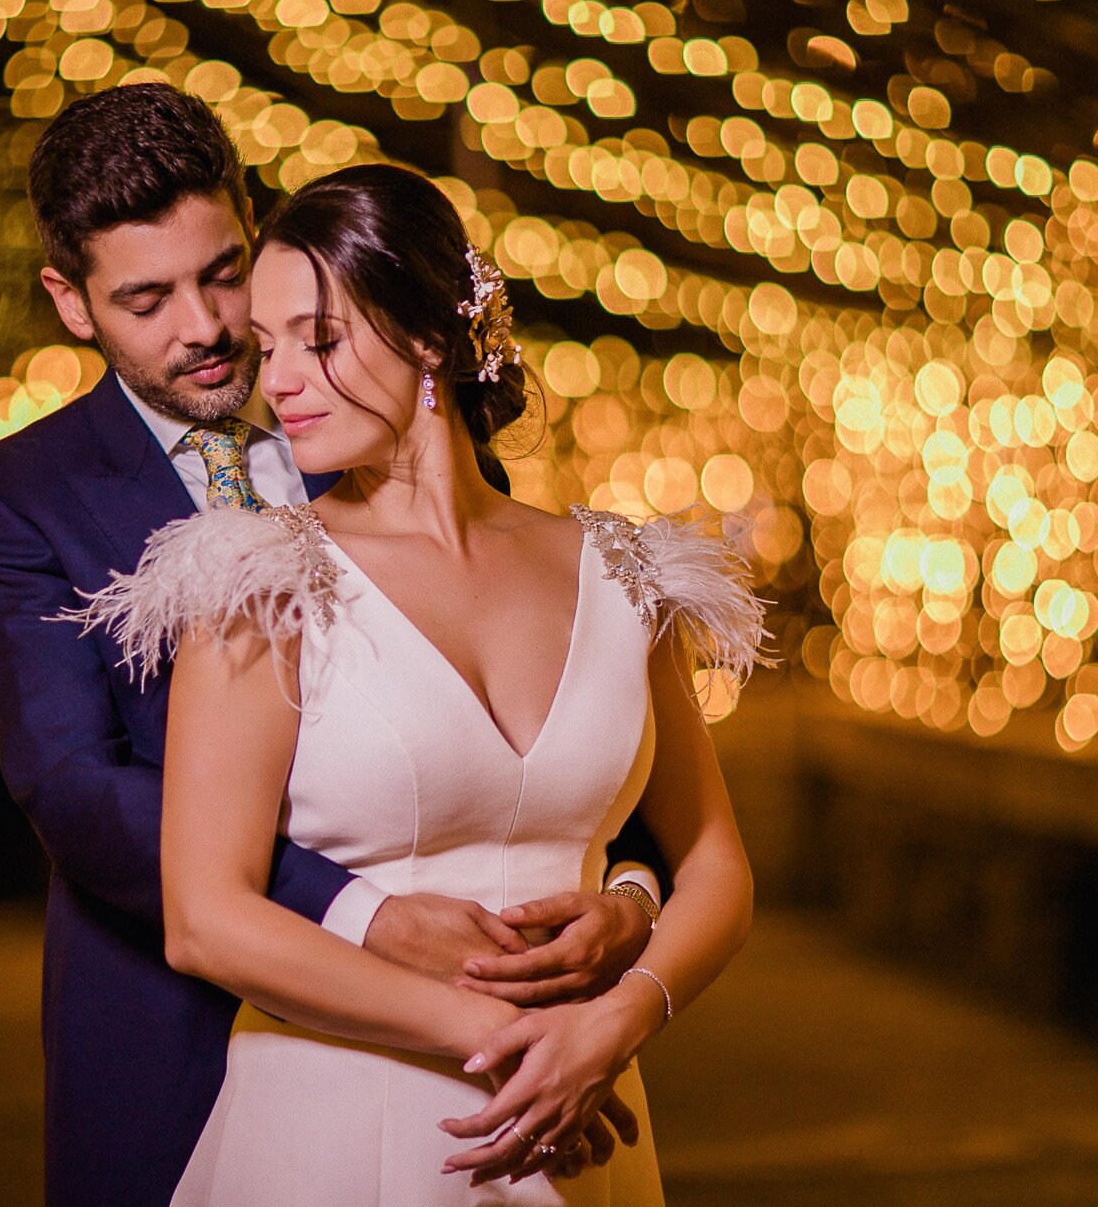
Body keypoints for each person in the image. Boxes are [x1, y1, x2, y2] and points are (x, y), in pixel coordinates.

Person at [0, 84, 669, 1207]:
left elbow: (571, 727)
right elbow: (76, 784)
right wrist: (363, 912)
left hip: (516, 1061)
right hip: (171, 1034)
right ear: (69, 301)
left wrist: (624, 894)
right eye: (145, 298)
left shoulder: (383, 416)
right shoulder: (14, 500)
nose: (206, 326)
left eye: (222, 271)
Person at [71, 163, 763, 1203]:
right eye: (268, 349)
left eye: (321, 338)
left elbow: (712, 862)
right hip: (339, 1126)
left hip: (584, 1122)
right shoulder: (257, 578)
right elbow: (205, 916)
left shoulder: (624, 571)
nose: (282, 381)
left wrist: (619, 1018)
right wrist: (505, 1039)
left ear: (432, 335)